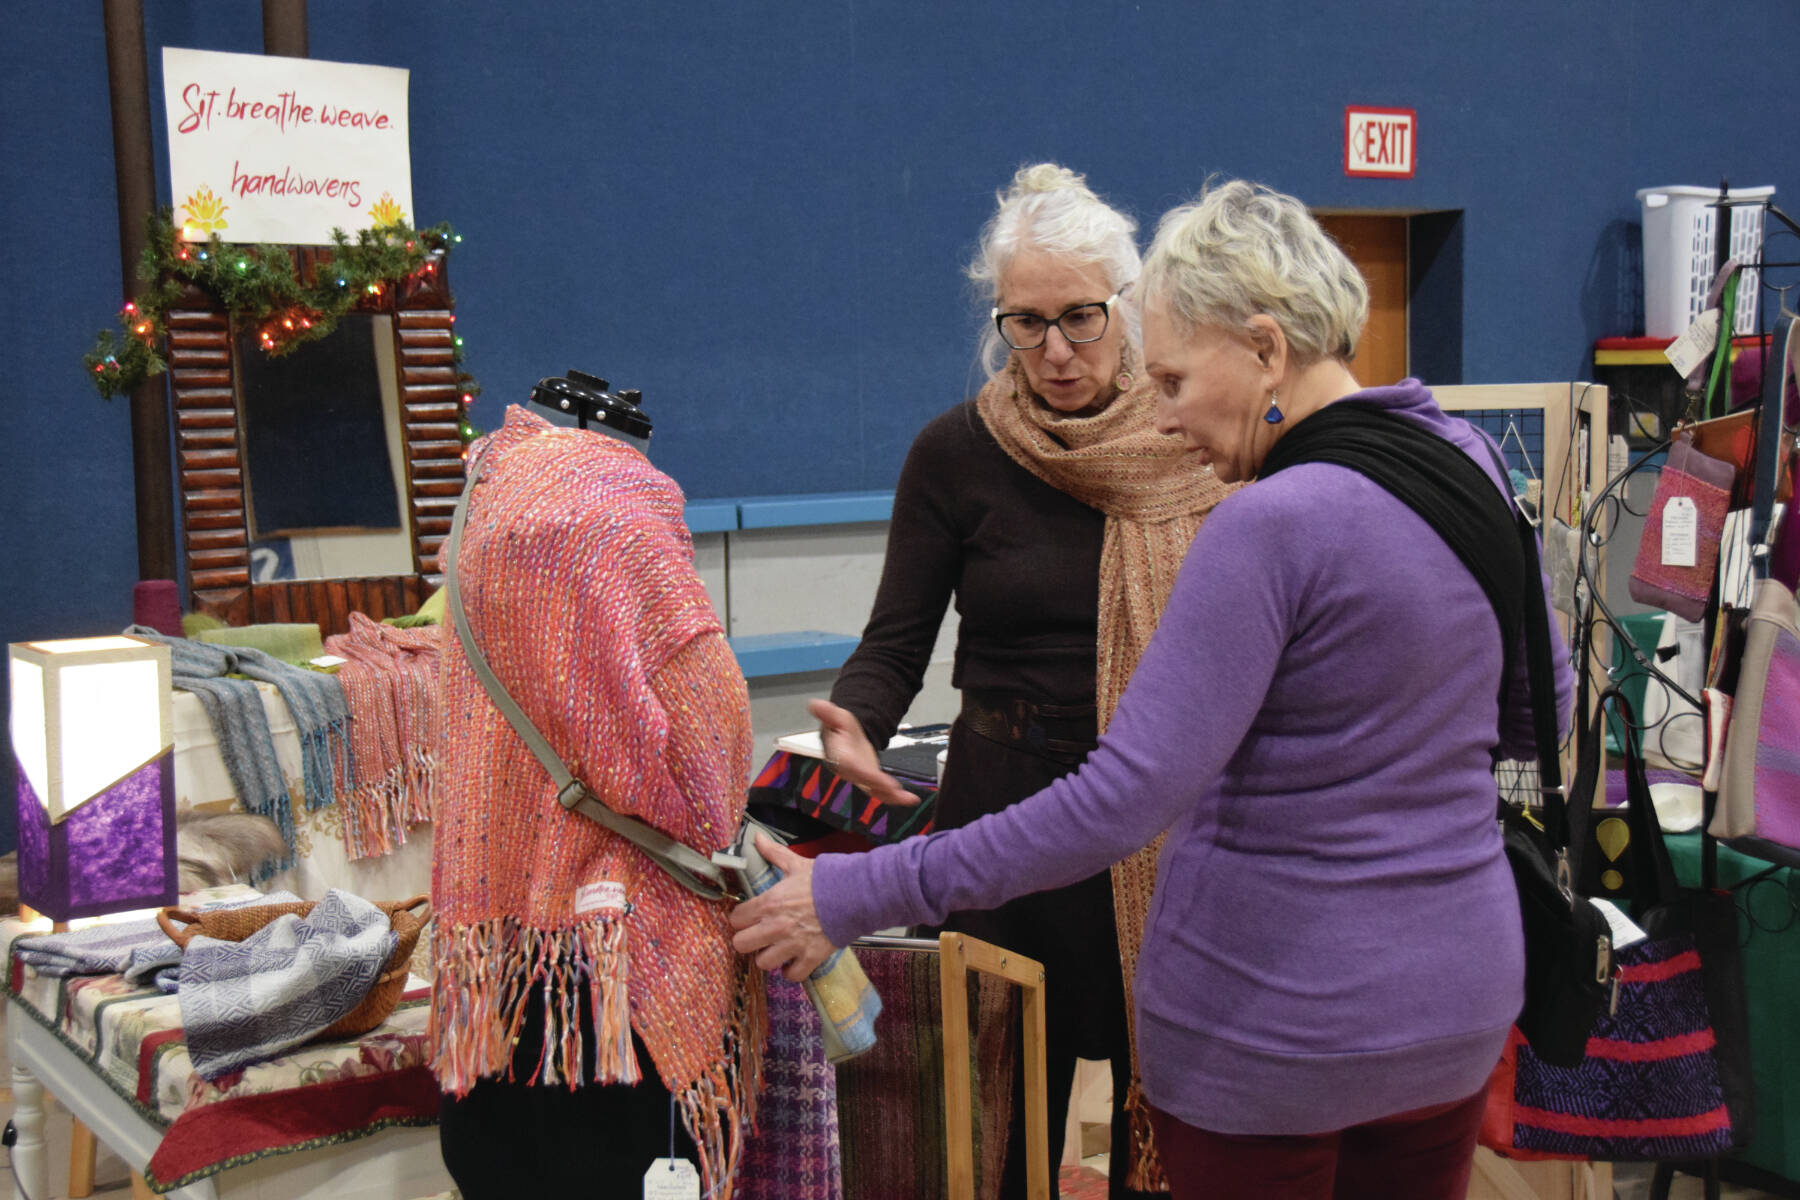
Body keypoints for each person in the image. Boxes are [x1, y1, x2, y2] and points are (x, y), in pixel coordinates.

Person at [734, 179, 1574, 1200]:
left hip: (1276, 1026)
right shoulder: (1472, 462)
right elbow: (1542, 719)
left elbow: (1123, 799)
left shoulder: (1266, 524)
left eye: (1173, 378)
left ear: (1266, 349)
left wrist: (857, 890)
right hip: (1454, 1005)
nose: (1166, 418)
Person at [808, 162, 1232, 1198]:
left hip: (1161, 807)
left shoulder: (1194, 443)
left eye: (1081, 319)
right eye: (1024, 324)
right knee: (1000, 1090)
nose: (1053, 351)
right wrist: (857, 718)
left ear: (1131, 304)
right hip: (1004, 802)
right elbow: (897, 640)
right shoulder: (954, 453)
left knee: (1170, 1085)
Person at [431, 404, 762, 1198]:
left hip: (494, 960)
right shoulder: (620, 519)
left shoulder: (482, 502)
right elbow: (710, 741)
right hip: (618, 970)